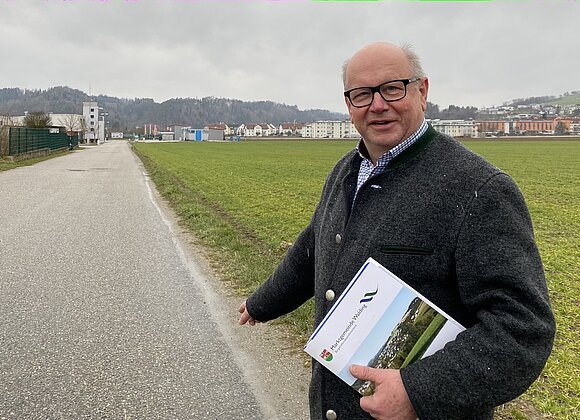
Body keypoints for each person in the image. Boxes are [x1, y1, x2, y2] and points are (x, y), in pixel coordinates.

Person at [238, 42, 555, 419]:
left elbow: (522, 330)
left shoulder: (479, 189)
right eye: (362, 94)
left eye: (392, 88)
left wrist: (418, 391)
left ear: (422, 91)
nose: (377, 105)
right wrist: (264, 302)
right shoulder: (347, 170)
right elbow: (315, 245)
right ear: (348, 104)